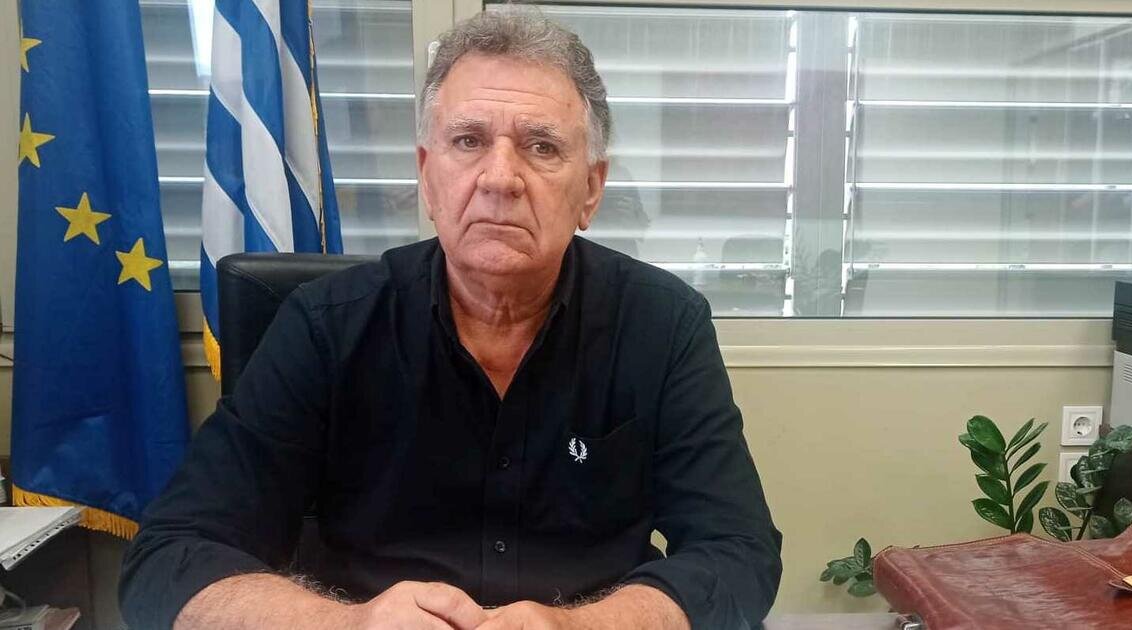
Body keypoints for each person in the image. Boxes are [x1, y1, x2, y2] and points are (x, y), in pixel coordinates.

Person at [119, 9, 782, 630]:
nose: (501, 178)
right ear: (428, 177)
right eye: (468, 141)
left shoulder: (663, 325)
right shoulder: (326, 327)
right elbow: (169, 556)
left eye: (542, 147)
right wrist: (347, 623)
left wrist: (582, 625)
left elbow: (739, 550)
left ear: (591, 189)